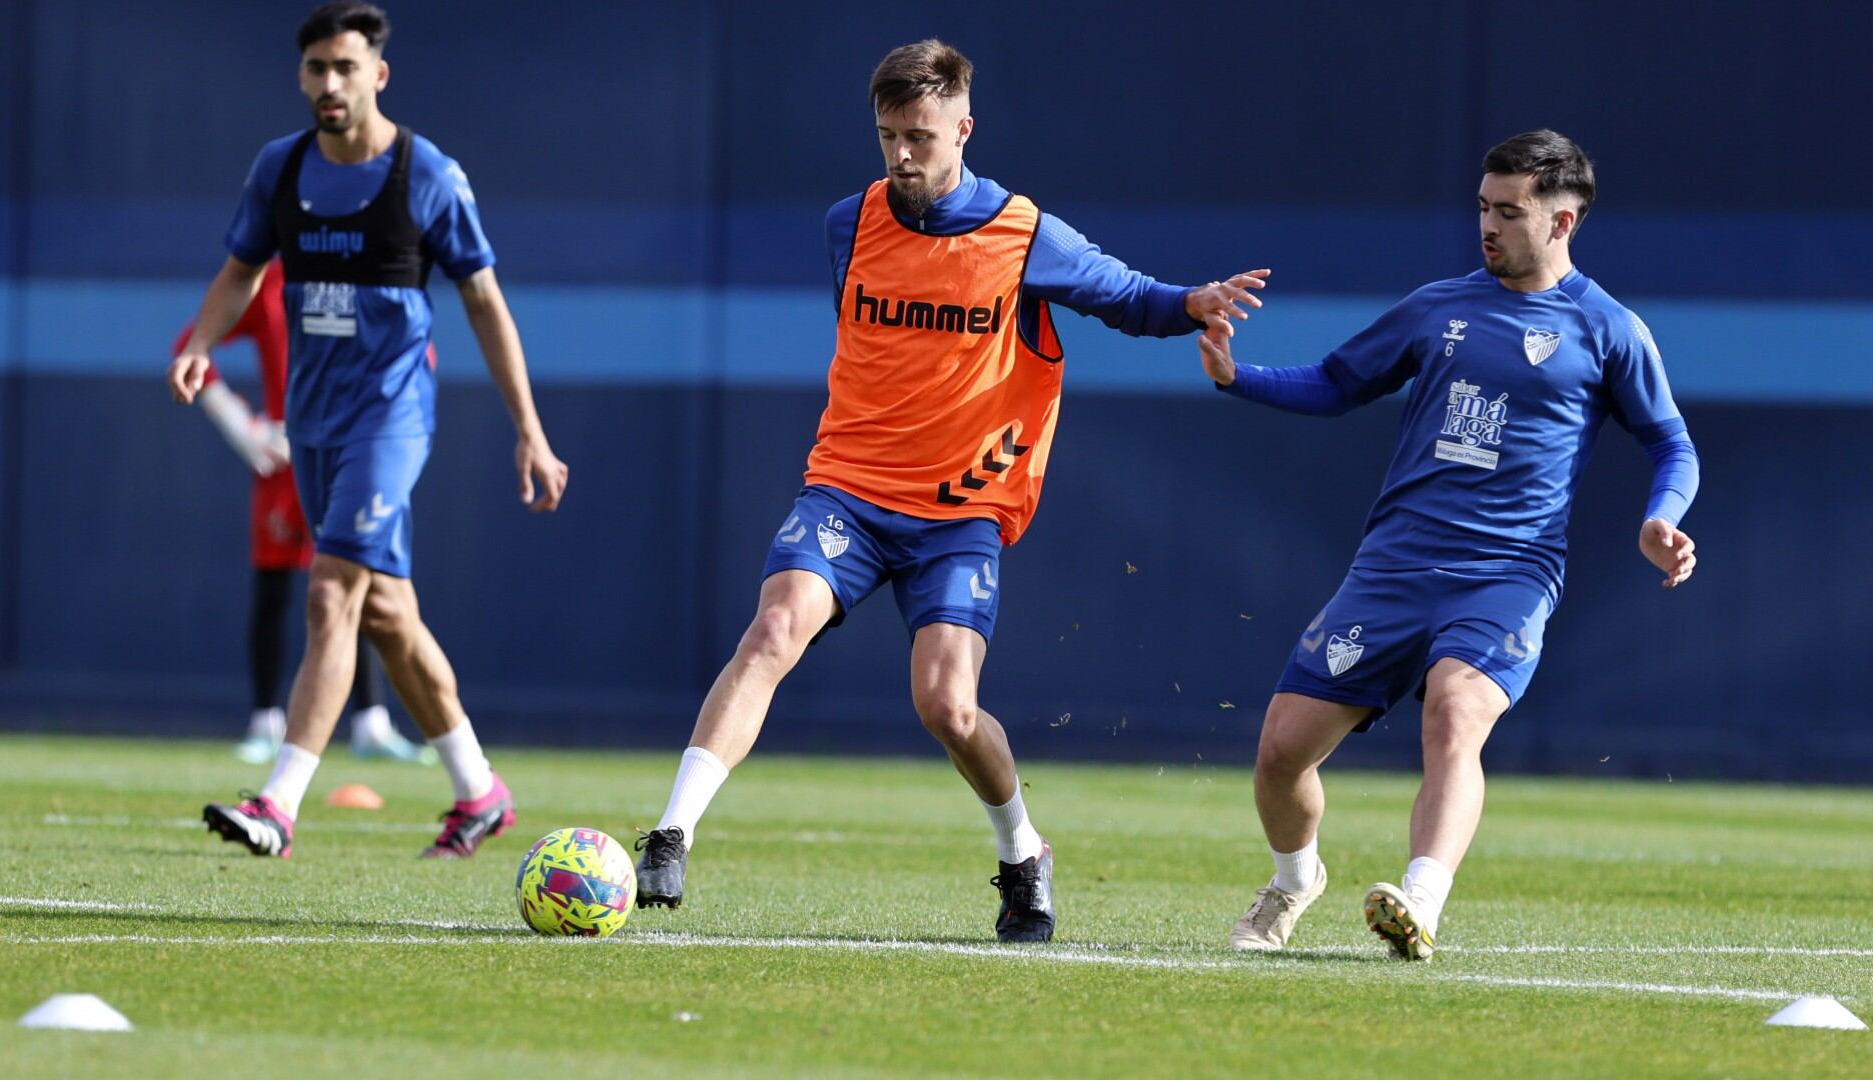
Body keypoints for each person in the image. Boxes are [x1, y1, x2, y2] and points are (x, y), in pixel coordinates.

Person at [629, 39, 1267, 943]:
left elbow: (1126, 296)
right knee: (774, 630)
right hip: (847, 490)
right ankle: (671, 831)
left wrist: (1191, 302)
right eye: (888, 135)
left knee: (947, 705)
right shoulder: (847, 224)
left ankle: (1022, 855)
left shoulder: (1022, 233)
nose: (901, 155)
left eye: (920, 136)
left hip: (959, 511)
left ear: (963, 128)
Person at [1202, 130, 1700, 960]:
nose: (1490, 226)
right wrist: (1237, 376)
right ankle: (1294, 881)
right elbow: (1337, 381)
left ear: (1563, 221)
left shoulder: (1608, 328)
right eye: (1483, 208)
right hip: (1394, 566)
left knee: (1456, 710)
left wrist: (1663, 515)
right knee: (1282, 750)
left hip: (1507, 574)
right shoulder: (1439, 306)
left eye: (1510, 212)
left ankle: (1420, 902)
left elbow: (1672, 444)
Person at [166, 1, 569, 859]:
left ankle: (277, 804)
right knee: (385, 611)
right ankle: (479, 789)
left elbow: (485, 303)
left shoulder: (427, 175)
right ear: (302, 77)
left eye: (346, 68)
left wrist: (529, 430)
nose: (330, 84)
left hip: (390, 421)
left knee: (330, 590)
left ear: (377, 74)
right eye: (316, 69)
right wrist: (201, 343)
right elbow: (241, 272)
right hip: (311, 424)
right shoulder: (279, 170)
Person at [173, 257, 427, 766]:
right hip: (287, 461)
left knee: (361, 588)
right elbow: (191, 344)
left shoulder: (371, 276)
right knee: (275, 590)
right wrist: (241, 426)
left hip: (353, 457)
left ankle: (370, 721)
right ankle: (266, 719)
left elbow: (414, 357)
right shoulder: (269, 282)